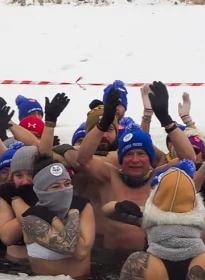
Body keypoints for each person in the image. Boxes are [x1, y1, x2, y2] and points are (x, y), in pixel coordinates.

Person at [74, 83, 198, 251]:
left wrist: (165, 118)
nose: (135, 159)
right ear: (120, 159)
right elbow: (83, 159)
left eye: (141, 154)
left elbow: (189, 158)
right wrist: (103, 124)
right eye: (129, 154)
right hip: (109, 261)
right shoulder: (110, 177)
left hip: (149, 259)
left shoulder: (159, 176)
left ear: (150, 158)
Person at [19, 157, 95, 278]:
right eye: (56, 187)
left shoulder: (83, 206)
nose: (64, 191)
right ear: (41, 191)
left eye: (67, 184)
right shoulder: (31, 220)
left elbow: (82, 252)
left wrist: (55, 219)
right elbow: (71, 248)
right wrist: (60, 216)